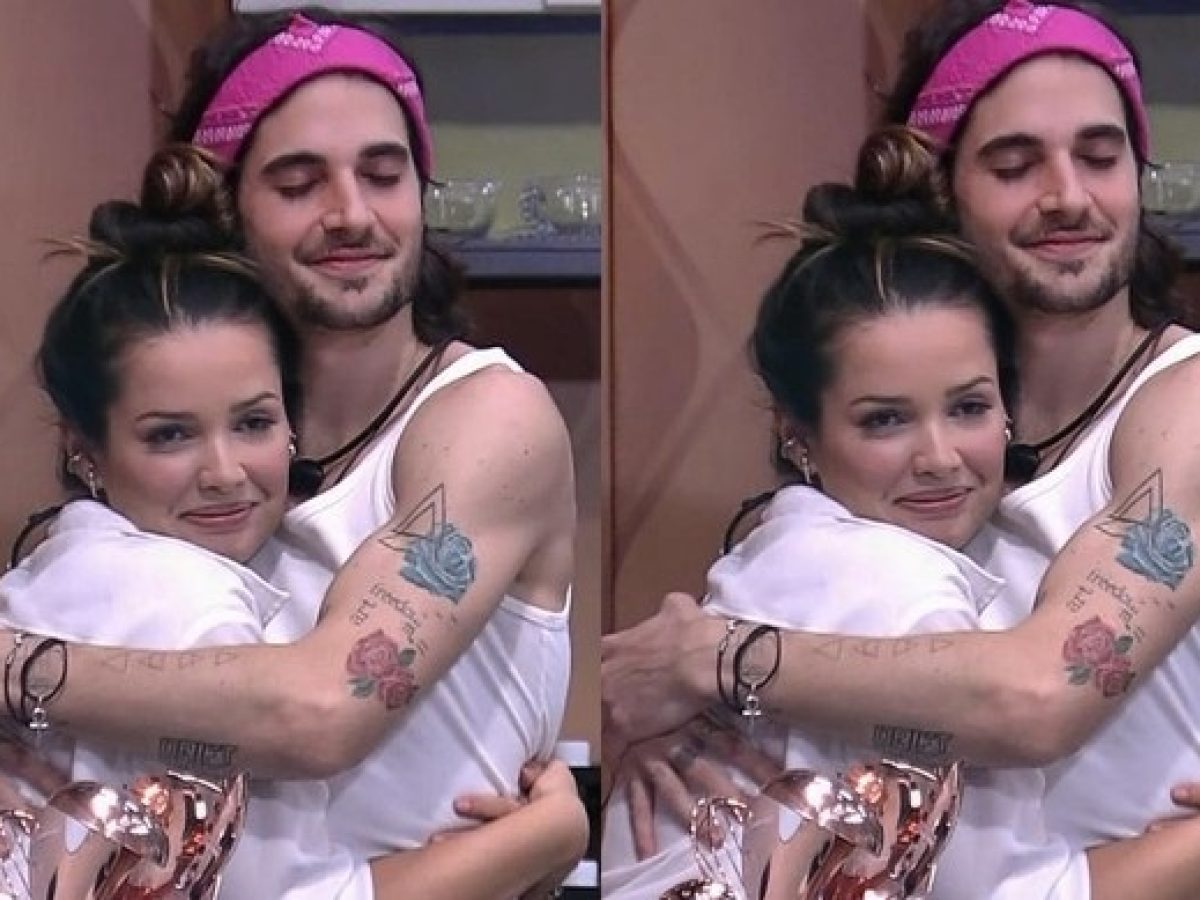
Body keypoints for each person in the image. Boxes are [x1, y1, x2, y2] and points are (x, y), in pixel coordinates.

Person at [1, 7, 585, 898]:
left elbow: (321, 714)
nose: (352, 214)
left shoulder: (489, 417)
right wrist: (541, 841)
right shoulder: (212, 467)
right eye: (298, 183)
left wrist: (19, 670)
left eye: (384, 174)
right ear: (226, 206)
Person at [601, 0, 1200, 868]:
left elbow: (1042, 698)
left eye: (1102, 158)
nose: (1069, 196)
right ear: (939, 187)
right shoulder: (896, 440)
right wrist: (675, 718)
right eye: (1015, 165)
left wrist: (719, 662)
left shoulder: (1181, 405)